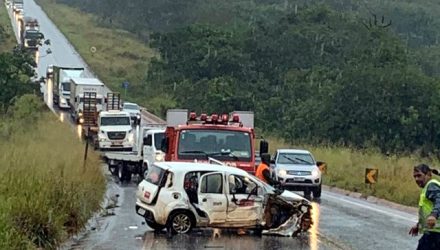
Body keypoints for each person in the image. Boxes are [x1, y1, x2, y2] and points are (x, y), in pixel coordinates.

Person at [409, 164, 440, 250]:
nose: (417, 179)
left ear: (429, 174)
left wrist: (434, 215)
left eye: (419, 175)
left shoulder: (431, 185)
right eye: (415, 176)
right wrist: (419, 225)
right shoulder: (427, 188)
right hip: (433, 233)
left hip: (435, 235)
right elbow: (427, 210)